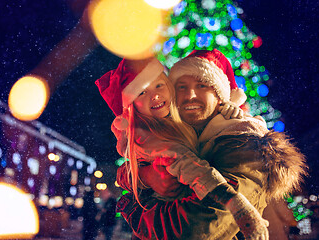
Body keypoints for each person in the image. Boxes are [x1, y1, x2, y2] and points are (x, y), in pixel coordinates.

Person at [113, 49, 307, 239]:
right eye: (181, 87)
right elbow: (145, 158)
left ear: (220, 97)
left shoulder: (246, 144)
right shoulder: (182, 134)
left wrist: (132, 206)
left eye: (202, 85)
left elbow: (194, 230)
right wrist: (145, 177)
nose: (190, 95)